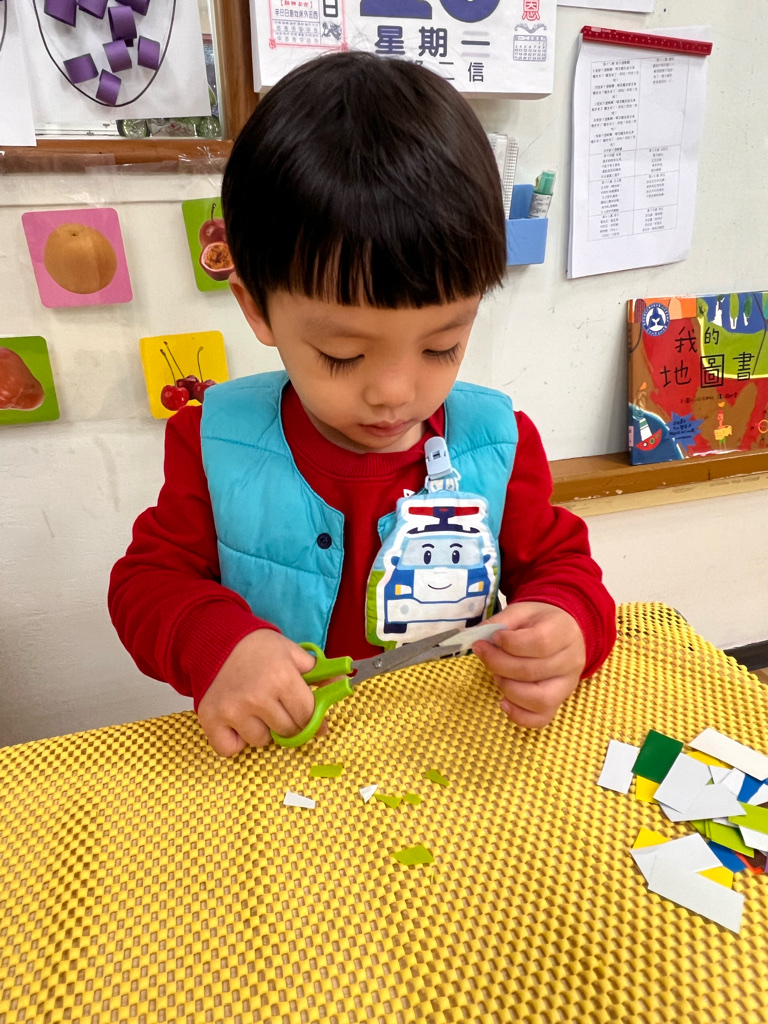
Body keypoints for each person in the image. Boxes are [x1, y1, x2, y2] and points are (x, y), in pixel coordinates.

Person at [109, 52, 616, 758]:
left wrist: (567, 625)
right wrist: (217, 643)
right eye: (343, 355)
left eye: (442, 346)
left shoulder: (497, 443)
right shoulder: (213, 441)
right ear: (256, 308)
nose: (395, 392)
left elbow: (565, 568)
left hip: (447, 749)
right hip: (282, 762)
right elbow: (147, 583)